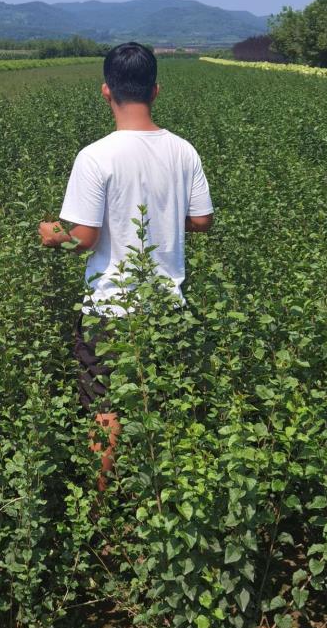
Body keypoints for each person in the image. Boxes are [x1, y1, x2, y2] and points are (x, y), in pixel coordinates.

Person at [38, 42, 214, 492]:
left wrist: (52, 235)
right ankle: (161, 499)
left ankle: (104, 508)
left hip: (112, 311)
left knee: (106, 407)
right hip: (167, 307)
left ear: (105, 91)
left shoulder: (96, 156)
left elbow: (85, 238)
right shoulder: (184, 151)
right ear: (156, 90)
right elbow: (201, 220)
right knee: (159, 401)